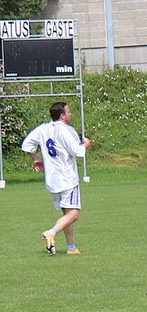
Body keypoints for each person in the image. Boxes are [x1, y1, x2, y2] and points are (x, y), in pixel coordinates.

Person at [21, 101, 92, 255]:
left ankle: (71, 247)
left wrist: (35, 158)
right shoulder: (65, 130)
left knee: (67, 214)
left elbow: (27, 144)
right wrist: (86, 144)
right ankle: (51, 232)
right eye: (68, 112)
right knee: (74, 214)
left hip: (53, 180)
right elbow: (77, 151)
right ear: (62, 116)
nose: (70, 114)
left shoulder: (43, 129)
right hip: (67, 179)